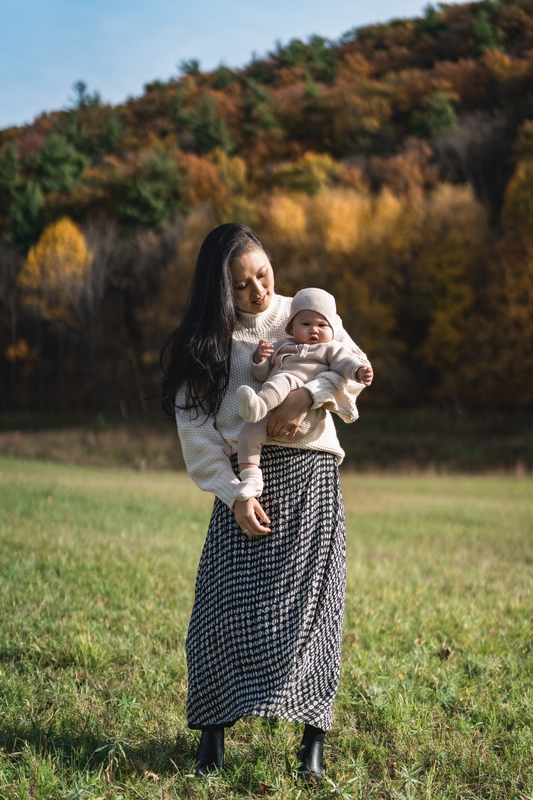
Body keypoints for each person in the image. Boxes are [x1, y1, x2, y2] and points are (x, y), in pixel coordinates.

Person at [160, 223, 371, 782]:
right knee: (221, 612)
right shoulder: (203, 345)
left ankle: (312, 747)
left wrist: (306, 394)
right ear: (217, 291)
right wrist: (232, 497)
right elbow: (199, 437)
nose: (257, 291)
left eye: (263, 274)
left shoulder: (302, 311)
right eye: (240, 285)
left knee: (317, 615)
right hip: (245, 485)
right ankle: (211, 739)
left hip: (312, 479)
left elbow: (348, 371)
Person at [235, 287, 373, 500]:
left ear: (333, 329)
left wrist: (358, 371)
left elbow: (346, 363)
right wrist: (259, 360)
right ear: (291, 327)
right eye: (306, 324)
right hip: (274, 414)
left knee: (283, 379)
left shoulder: (330, 349)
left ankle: (258, 405)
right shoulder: (282, 346)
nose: (314, 331)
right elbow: (263, 375)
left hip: (306, 418)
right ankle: (251, 478)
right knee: (248, 433)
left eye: (321, 325)